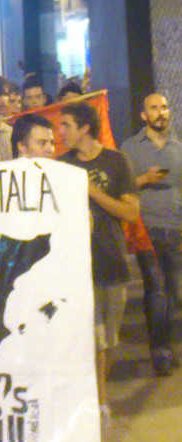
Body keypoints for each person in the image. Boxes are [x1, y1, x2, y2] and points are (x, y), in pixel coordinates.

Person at [58, 102, 139, 420]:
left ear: (85, 128)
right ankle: (97, 397)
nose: (61, 132)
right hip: (76, 267)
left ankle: (99, 392)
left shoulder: (116, 161)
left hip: (111, 260)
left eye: (66, 125)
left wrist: (92, 192)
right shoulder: (62, 165)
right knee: (90, 336)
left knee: (110, 339)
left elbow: (130, 212)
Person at [121, 93, 182, 376]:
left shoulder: (177, 147)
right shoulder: (131, 148)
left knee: (173, 291)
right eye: (154, 108)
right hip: (146, 228)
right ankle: (160, 350)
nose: (161, 112)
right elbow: (121, 186)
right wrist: (145, 179)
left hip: (174, 228)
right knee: (156, 289)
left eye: (164, 107)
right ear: (143, 115)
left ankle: (166, 343)